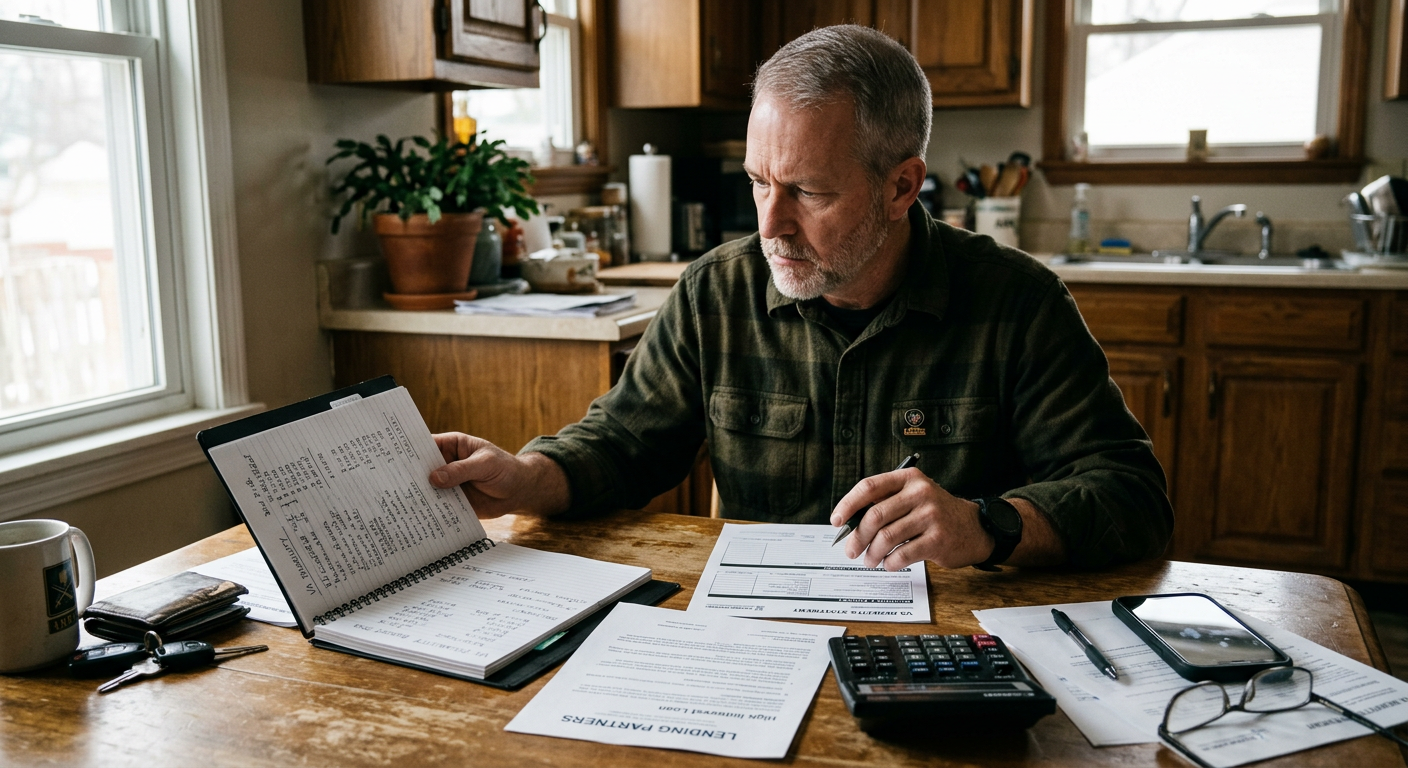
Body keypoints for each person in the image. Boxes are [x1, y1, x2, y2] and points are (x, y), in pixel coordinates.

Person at [429, 25, 1173, 571]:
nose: (770, 224)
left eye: (808, 191)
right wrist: (522, 479)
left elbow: (1131, 499)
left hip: (948, 644)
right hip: (755, 637)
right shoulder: (716, 291)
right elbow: (622, 447)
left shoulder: (1017, 303)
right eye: (758, 182)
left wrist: (987, 525)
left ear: (901, 187)